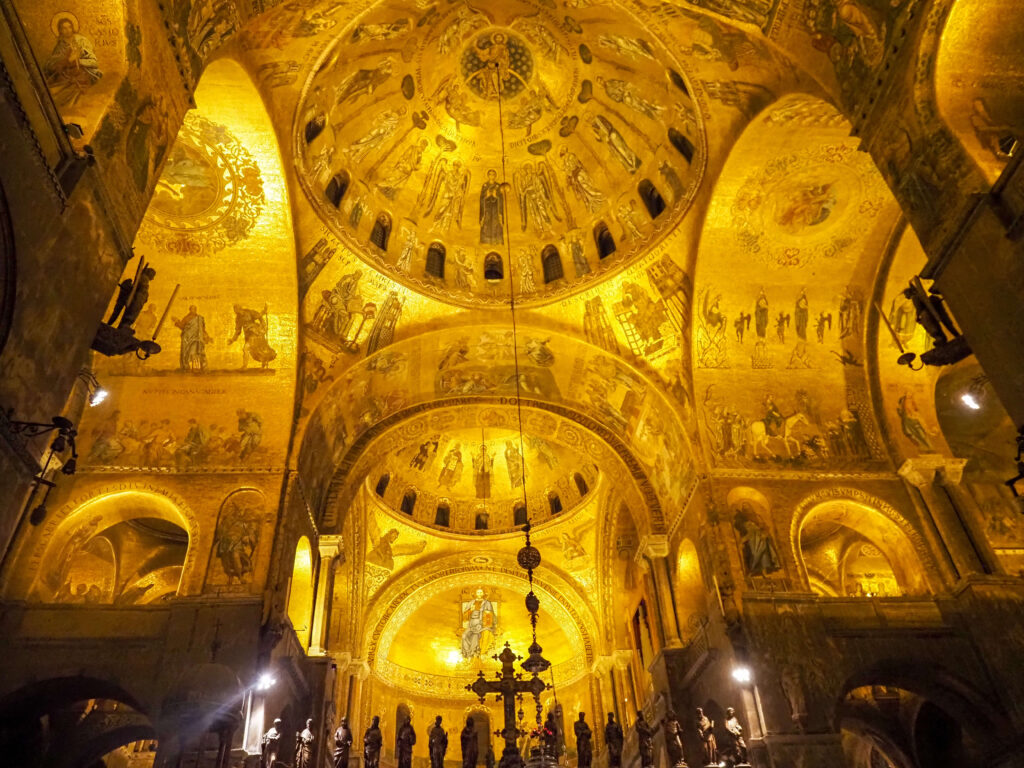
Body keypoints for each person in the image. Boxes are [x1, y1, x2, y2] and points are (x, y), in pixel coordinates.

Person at [44, 15, 102, 107]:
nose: (68, 30)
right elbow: (51, 65)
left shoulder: (81, 41)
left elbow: (94, 62)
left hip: (83, 73)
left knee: (74, 85)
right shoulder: (59, 46)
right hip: (66, 75)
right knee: (55, 88)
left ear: (73, 27)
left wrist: (78, 61)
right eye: (64, 28)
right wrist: (67, 61)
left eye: (69, 27)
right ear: (60, 30)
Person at [175, 305, 212, 372]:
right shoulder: (186, 318)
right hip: (188, 338)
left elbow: (202, 329)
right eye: (192, 309)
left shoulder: (200, 318)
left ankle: (199, 368)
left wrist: (207, 336)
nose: (193, 310)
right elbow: (182, 326)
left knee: (198, 352)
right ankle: (187, 367)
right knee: (189, 353)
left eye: (194, 309)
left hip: (197, 338)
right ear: (190, 310)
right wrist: (177, 321)